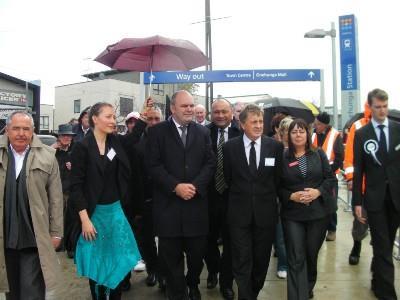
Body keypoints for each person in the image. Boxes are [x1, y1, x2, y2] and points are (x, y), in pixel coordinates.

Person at [147, 90, 216, 300]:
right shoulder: (157, 132)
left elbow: (210, 163)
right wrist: (175, 186)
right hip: (169, 208)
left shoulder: (203, 132)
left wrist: (195, 186)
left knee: (196, 256)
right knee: (171, 259)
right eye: (185, 106)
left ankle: (193, 284)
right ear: (173, 108)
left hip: (196, 206)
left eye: (192, 105)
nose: (190, 109)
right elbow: (152, 166)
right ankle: (177, 293)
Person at [70, 103, 142, 300]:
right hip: (93, 216)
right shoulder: (82, 147)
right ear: (95, 119)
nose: (113, 121)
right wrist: (85, 219)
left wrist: (143, 116)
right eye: (109, 117)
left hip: (116, 213)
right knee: (97, 265)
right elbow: (75, 187)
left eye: (114, 117)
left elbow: (134, 137)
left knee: (119, 261)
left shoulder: (115, 142)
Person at [0, 111, 65, 299]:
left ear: (33, 131)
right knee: (10, 289)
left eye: (26, 129)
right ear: (7, 130)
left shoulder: (47, 156)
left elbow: (56, 198)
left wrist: (56, 232)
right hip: (5, 236)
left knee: (32, 291)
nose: (21, 133)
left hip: (34, 236)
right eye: (16, 128)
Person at [223, 104, 283, 300]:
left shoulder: (274, 147)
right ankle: (245, 296)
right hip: (238, 215)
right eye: (253, 122)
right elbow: (228, 179)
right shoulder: (229, 148)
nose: (258, 125)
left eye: (260, 121)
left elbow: (278, 180)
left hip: (265, 215)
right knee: (241, 259)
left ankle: (253, 292)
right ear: (242, 124)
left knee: (260, 261)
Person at [279, 118, 336, 300]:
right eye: (294, 132)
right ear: (288, 135)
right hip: (293, 215)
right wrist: (290, 196)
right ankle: (297, 296)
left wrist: (318, 192)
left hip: (318, 214)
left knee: (311, 255)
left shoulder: (318, 154)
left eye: (301, 131)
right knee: (296, 257)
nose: (297, 135)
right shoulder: (283, 157)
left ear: (307, 134)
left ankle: (308, 286)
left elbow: (330, 180)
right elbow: (276, 185)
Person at [353, 88, 400, 300]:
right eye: (378, 107)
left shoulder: (398, 129)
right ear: (370, 108)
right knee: (382, 247)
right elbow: (359, 170)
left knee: (387, 244)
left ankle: (376, 280)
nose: (382, 111)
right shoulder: (362, 134)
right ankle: (388, 294)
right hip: (374, 199)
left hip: (396, 198)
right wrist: (356, 202)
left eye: (385, 106)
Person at [204, 98, 241, 300]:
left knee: (231, 242)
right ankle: (212, 270)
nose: (220, 115)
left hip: (233, 197)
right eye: (216, 112)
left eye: (224, 111)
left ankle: (227, 282)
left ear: (231, 113)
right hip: (207, 197)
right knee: (207, 240)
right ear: (211, 113)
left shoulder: (241, 133)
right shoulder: (202, 133)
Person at [343, 102, 372, 265]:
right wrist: (351, 178)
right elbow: (350, 155)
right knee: (360, 221)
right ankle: (357, 245)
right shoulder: (358, 126)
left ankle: (380, 255)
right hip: (361, 186)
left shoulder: (389, 127)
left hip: (383, 186)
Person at [312, 112, 344, 241]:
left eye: (318, 124)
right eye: (315, 123)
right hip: (315, 175)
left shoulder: (335, 135)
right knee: (317, 203)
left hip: (330, 176)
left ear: (325, 125)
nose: (316, 125)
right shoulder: (313, 134)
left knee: (330, 203)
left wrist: (328, 172)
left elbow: (339, 158)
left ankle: (332, 230)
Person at [273, 116, 293, 280]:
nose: (289, 134)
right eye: (286, 131)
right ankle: (283, 263)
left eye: (292, 130)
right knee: (280, 235)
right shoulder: (275, 150)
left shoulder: (302, 151)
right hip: (278, 200)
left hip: (295, 201)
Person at [52, 124, 76, 253]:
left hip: (72, 190)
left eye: (69, 136)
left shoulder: (76, 151)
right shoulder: (53, 152)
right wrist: (51, 149)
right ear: (59, 137)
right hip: (56, 191)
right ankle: (58, 244)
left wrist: (74, 167)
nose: (67, 138)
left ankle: (70, 247)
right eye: (64, 135)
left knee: (71, 219)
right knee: (57, 218)